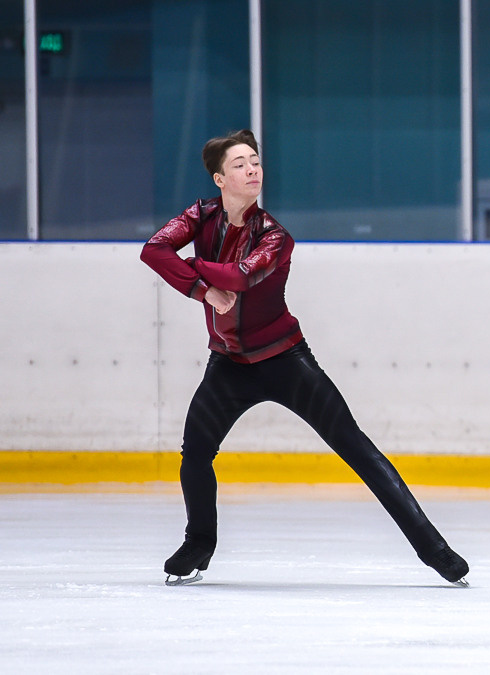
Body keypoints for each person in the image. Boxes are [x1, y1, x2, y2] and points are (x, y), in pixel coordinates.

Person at [141, 129, 468, 587]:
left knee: (355, 448)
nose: (253, 169)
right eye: (240, 164)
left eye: (255, 161)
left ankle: (435, 550)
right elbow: (153, 250)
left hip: (285, 361)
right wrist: (199, 289)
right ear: (219, 178)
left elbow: (237, 277)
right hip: (228, 366)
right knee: (195, 453)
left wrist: (191, 269)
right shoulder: (201, 215)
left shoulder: (275, 237)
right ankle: (200, 542)